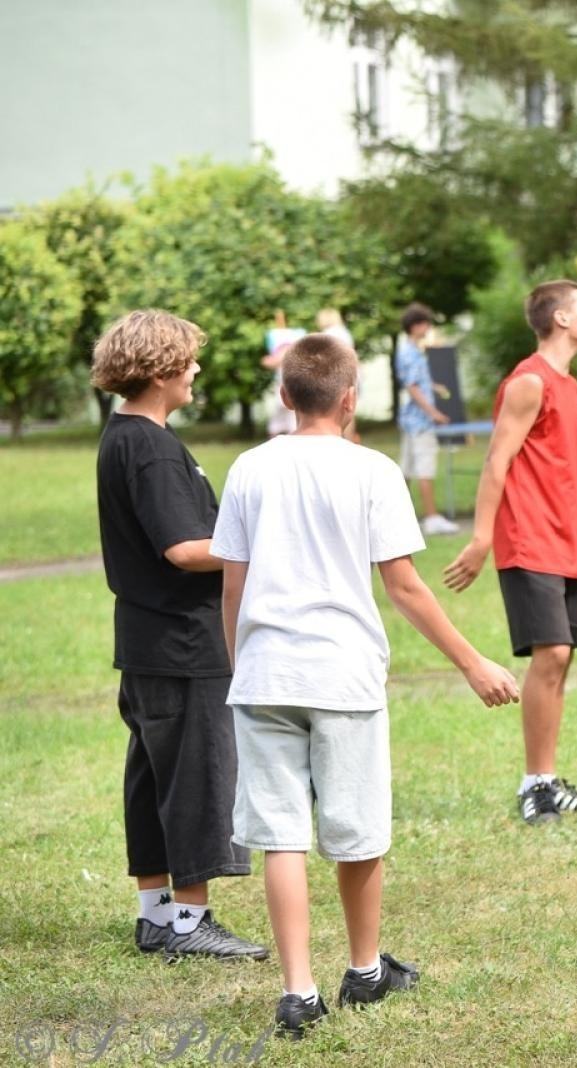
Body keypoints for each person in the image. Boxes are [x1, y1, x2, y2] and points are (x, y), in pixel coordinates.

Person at [213, 333, 519, 1039]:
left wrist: (242, 664)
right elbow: (405, 586)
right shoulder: (374, 471)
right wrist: (473, 662)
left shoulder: (249, 469)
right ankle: (364, 969)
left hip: (265, 674)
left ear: (284, 397)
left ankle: (298, 991)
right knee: (356, 831)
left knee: (281, 836)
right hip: (343, 675)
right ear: (349, 401)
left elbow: (234, 584)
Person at [89, 309, 267, 962]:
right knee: (195, 779)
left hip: (145, 642)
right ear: (161, 369)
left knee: (153, 778)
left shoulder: (124, 436)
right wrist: (260, 543)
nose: (196, 368)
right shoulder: (153, 449)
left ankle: (155, 914)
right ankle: (191, 924)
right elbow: (186, 549)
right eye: (188, 359)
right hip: (183, 644)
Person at [442, 280, 577, 825]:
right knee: (553, 653)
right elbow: (496, 462)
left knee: (563, 658)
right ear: (561, 319)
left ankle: (549, 779)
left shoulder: (567, 385)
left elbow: (570, 463)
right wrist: (482, 538)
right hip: (528, 537)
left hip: (564, 534)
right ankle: (534, 785)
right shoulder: (529, 382)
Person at [395, 302, 459, 536]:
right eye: (426, 323)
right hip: (420, 421)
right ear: (415, 325)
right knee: (424, 468)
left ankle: (394, 517)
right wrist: (433, 413)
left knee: (407, 470)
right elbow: (412, 387)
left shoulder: (408, 349)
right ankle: (431, 518)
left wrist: (433, 386)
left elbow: (416, 382)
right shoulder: (410, 352)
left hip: (411, 421)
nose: (428, 328)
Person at [314, 308, 362, 444]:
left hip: (335, 377)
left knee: (334, 411)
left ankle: (340, 439)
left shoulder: (326, 335)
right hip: (352, 375)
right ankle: (350, 440)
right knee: (349, 410)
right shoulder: (345, 333)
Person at [262, 310, 306, 438]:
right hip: (282, 383)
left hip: (290, 383)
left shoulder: (292, 347)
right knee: (281, 415)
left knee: (290, 416)